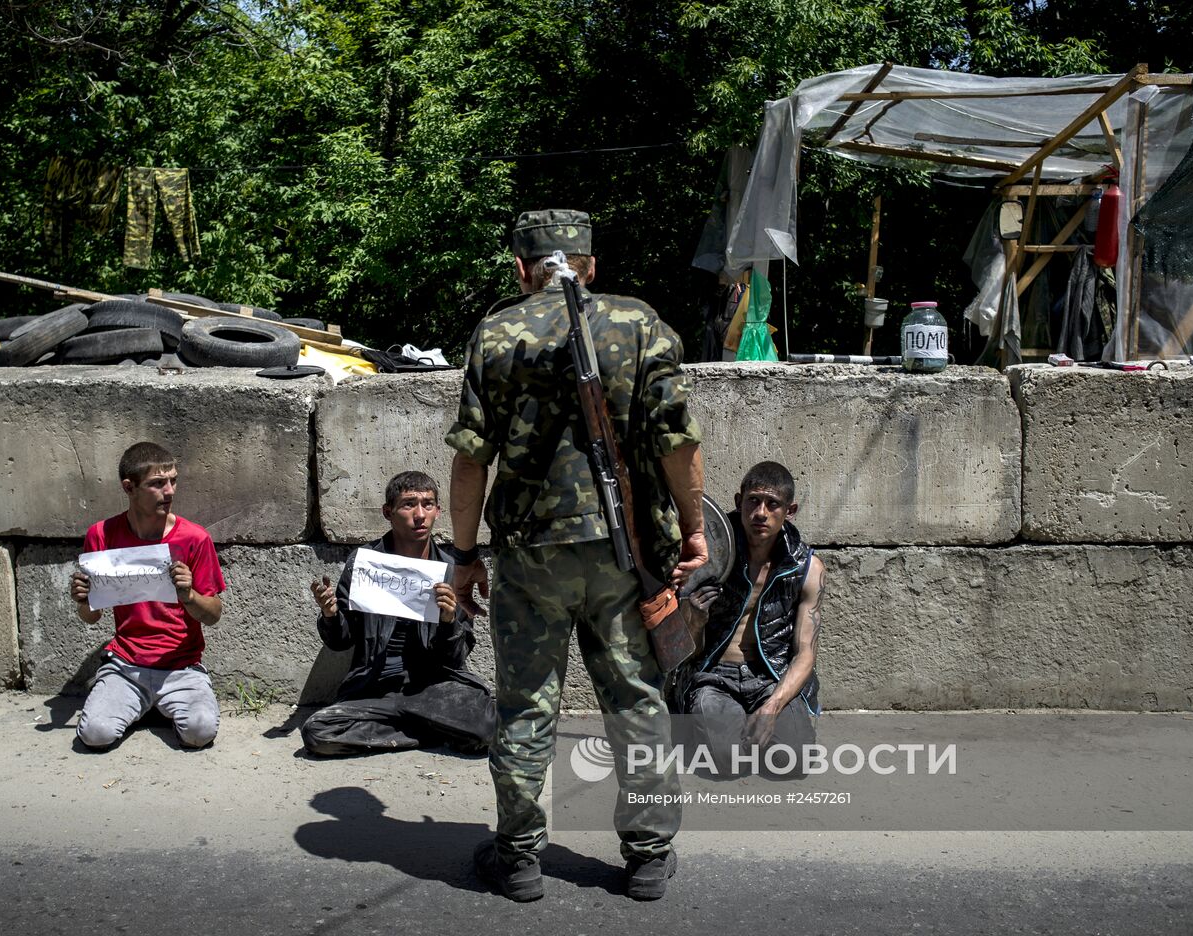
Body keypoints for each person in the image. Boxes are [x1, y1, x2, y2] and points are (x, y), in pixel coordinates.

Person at [446, 209, 707, 902]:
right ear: (590, 265)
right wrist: (693, 529)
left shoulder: (497, 334)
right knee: (635, 699)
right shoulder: (640, 323)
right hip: (626, 554)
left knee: (526, 706)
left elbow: (472, 463)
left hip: (531, 556)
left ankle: (521, 856)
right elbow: (678, 442)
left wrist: (464, 553)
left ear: (521, 268)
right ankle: (649, 856)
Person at [301, 471, 496, 756]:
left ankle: (408, 724)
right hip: (375, 688)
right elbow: (341, 641)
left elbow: (455, 659)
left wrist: (448, 620)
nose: (420, 515)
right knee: (318, 731)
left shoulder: (451, 570)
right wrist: (330, 614)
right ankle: (431, 731)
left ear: (438, 511)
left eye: (428, 505)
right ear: (388, 512)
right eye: (408, 505)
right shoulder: (365, 565)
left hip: (433, 688)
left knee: (486, 725)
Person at [69, 442, 225, 750]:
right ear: (129, 487)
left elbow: (215, 614)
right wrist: (83, 601)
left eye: (173, 481)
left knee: (200, 732)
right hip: (127, 664)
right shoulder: (101, 535)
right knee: (95, 734)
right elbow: (91, 617)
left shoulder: (195, 538)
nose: (169, 492)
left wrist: (189, 595)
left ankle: (158, 703)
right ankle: (126, 695)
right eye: (157, 484)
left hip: (181, 666)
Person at [678, 461, 823, 778]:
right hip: (713, 676)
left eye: (773, 504)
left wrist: (773, 707)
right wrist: (694, 618)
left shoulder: (806, 567)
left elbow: (805, 653)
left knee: (795, 761)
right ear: (737, 502)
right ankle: (718, 726)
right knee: (726, 763)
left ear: (790, 510)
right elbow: (684, 647)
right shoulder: (709, 554)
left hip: (771, 676)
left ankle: (748, 722)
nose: (761, 513)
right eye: (753, 501)